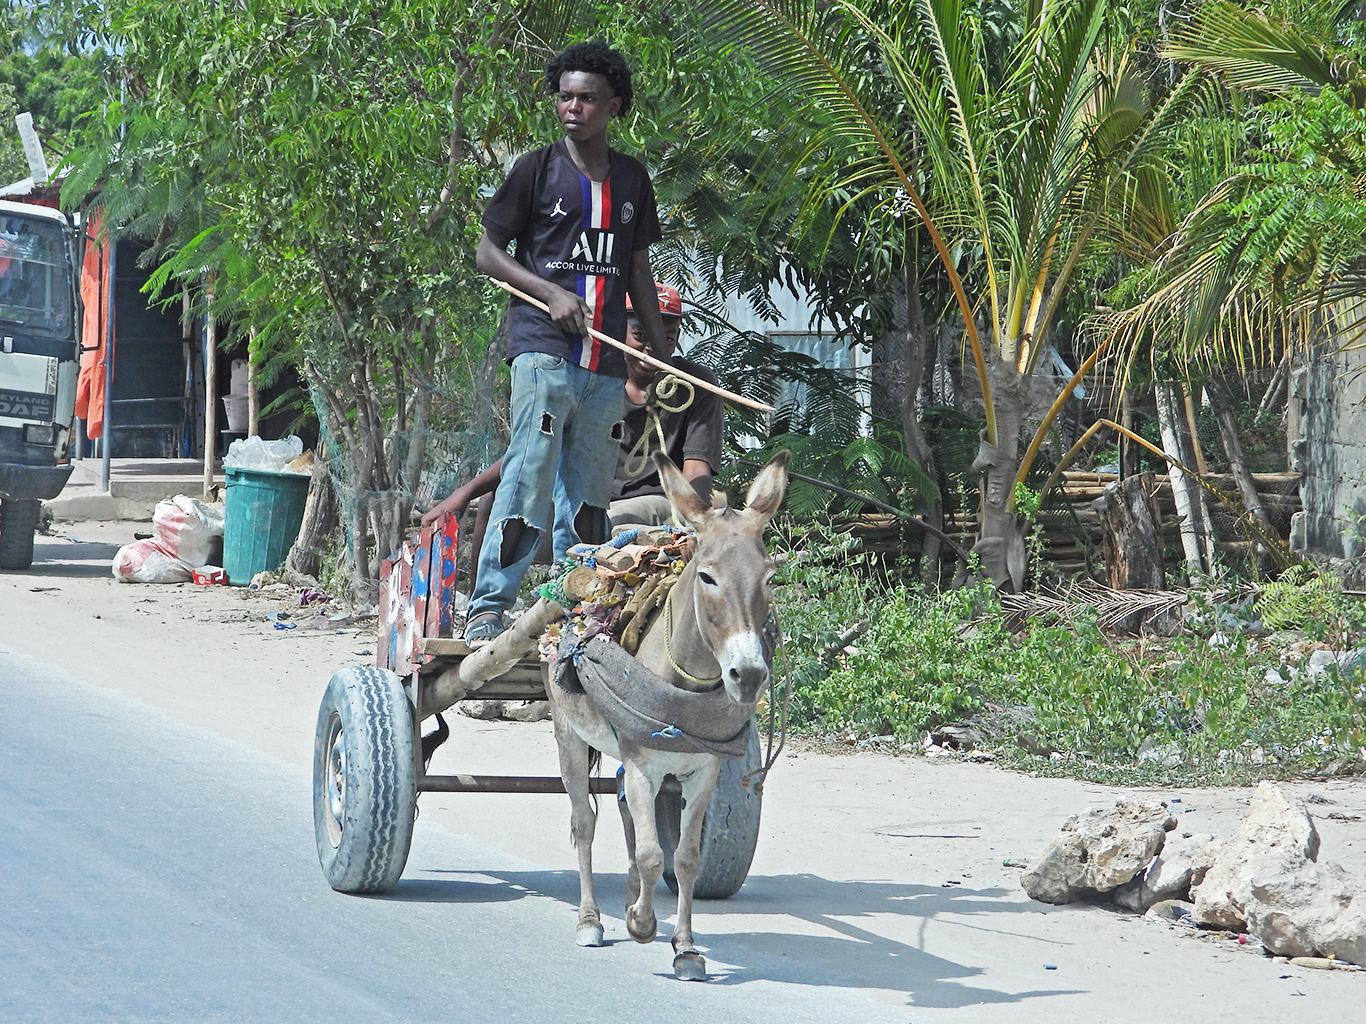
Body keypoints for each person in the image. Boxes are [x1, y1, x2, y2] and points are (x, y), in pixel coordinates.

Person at [461, 41, 668, 644]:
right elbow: (486, 253)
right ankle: (489, 609)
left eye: (588, 99)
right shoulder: (536, 168)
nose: (573, 108)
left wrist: (653, 349)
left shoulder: (632, 180)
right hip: (541, 348)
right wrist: (548, 292)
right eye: (565, 97)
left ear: (615, 107)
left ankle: (580, 614)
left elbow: (636, 269)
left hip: (604, 361)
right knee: (528, 472)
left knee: (588, 497)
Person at [422, 281, 724, 570]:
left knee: (602, 522)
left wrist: (697, 520)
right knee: (501, 499)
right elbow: (534, 449)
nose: (652, 350)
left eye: (666, 338)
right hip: (586, 496)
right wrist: (464, 494)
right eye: (641, 336)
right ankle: (485, 612)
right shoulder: (596, 379)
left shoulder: (694, 387)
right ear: (620, 333)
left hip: (650, 503)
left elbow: (696, 470)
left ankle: (575, 587)